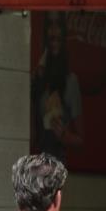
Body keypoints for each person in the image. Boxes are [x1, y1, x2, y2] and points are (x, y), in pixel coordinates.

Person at [33, 12, 83, 160]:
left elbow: (80, 139)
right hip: (34, 160)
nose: (54, 31)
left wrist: (64, 135)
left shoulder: (71, 82)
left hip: (58, 161)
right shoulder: (36, 78)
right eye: (50, 25)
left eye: (58, 25)